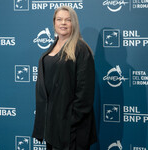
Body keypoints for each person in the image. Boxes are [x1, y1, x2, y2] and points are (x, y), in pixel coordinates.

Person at [32, 6, 97, 150]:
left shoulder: (80, 49)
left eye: (68, 20)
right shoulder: (52, 47)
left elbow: (85, 92)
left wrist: (71, 120)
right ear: (54, 22)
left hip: (71, 130)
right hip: (52, 128)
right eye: (59, 19)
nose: (63, 23)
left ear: (74, 23)